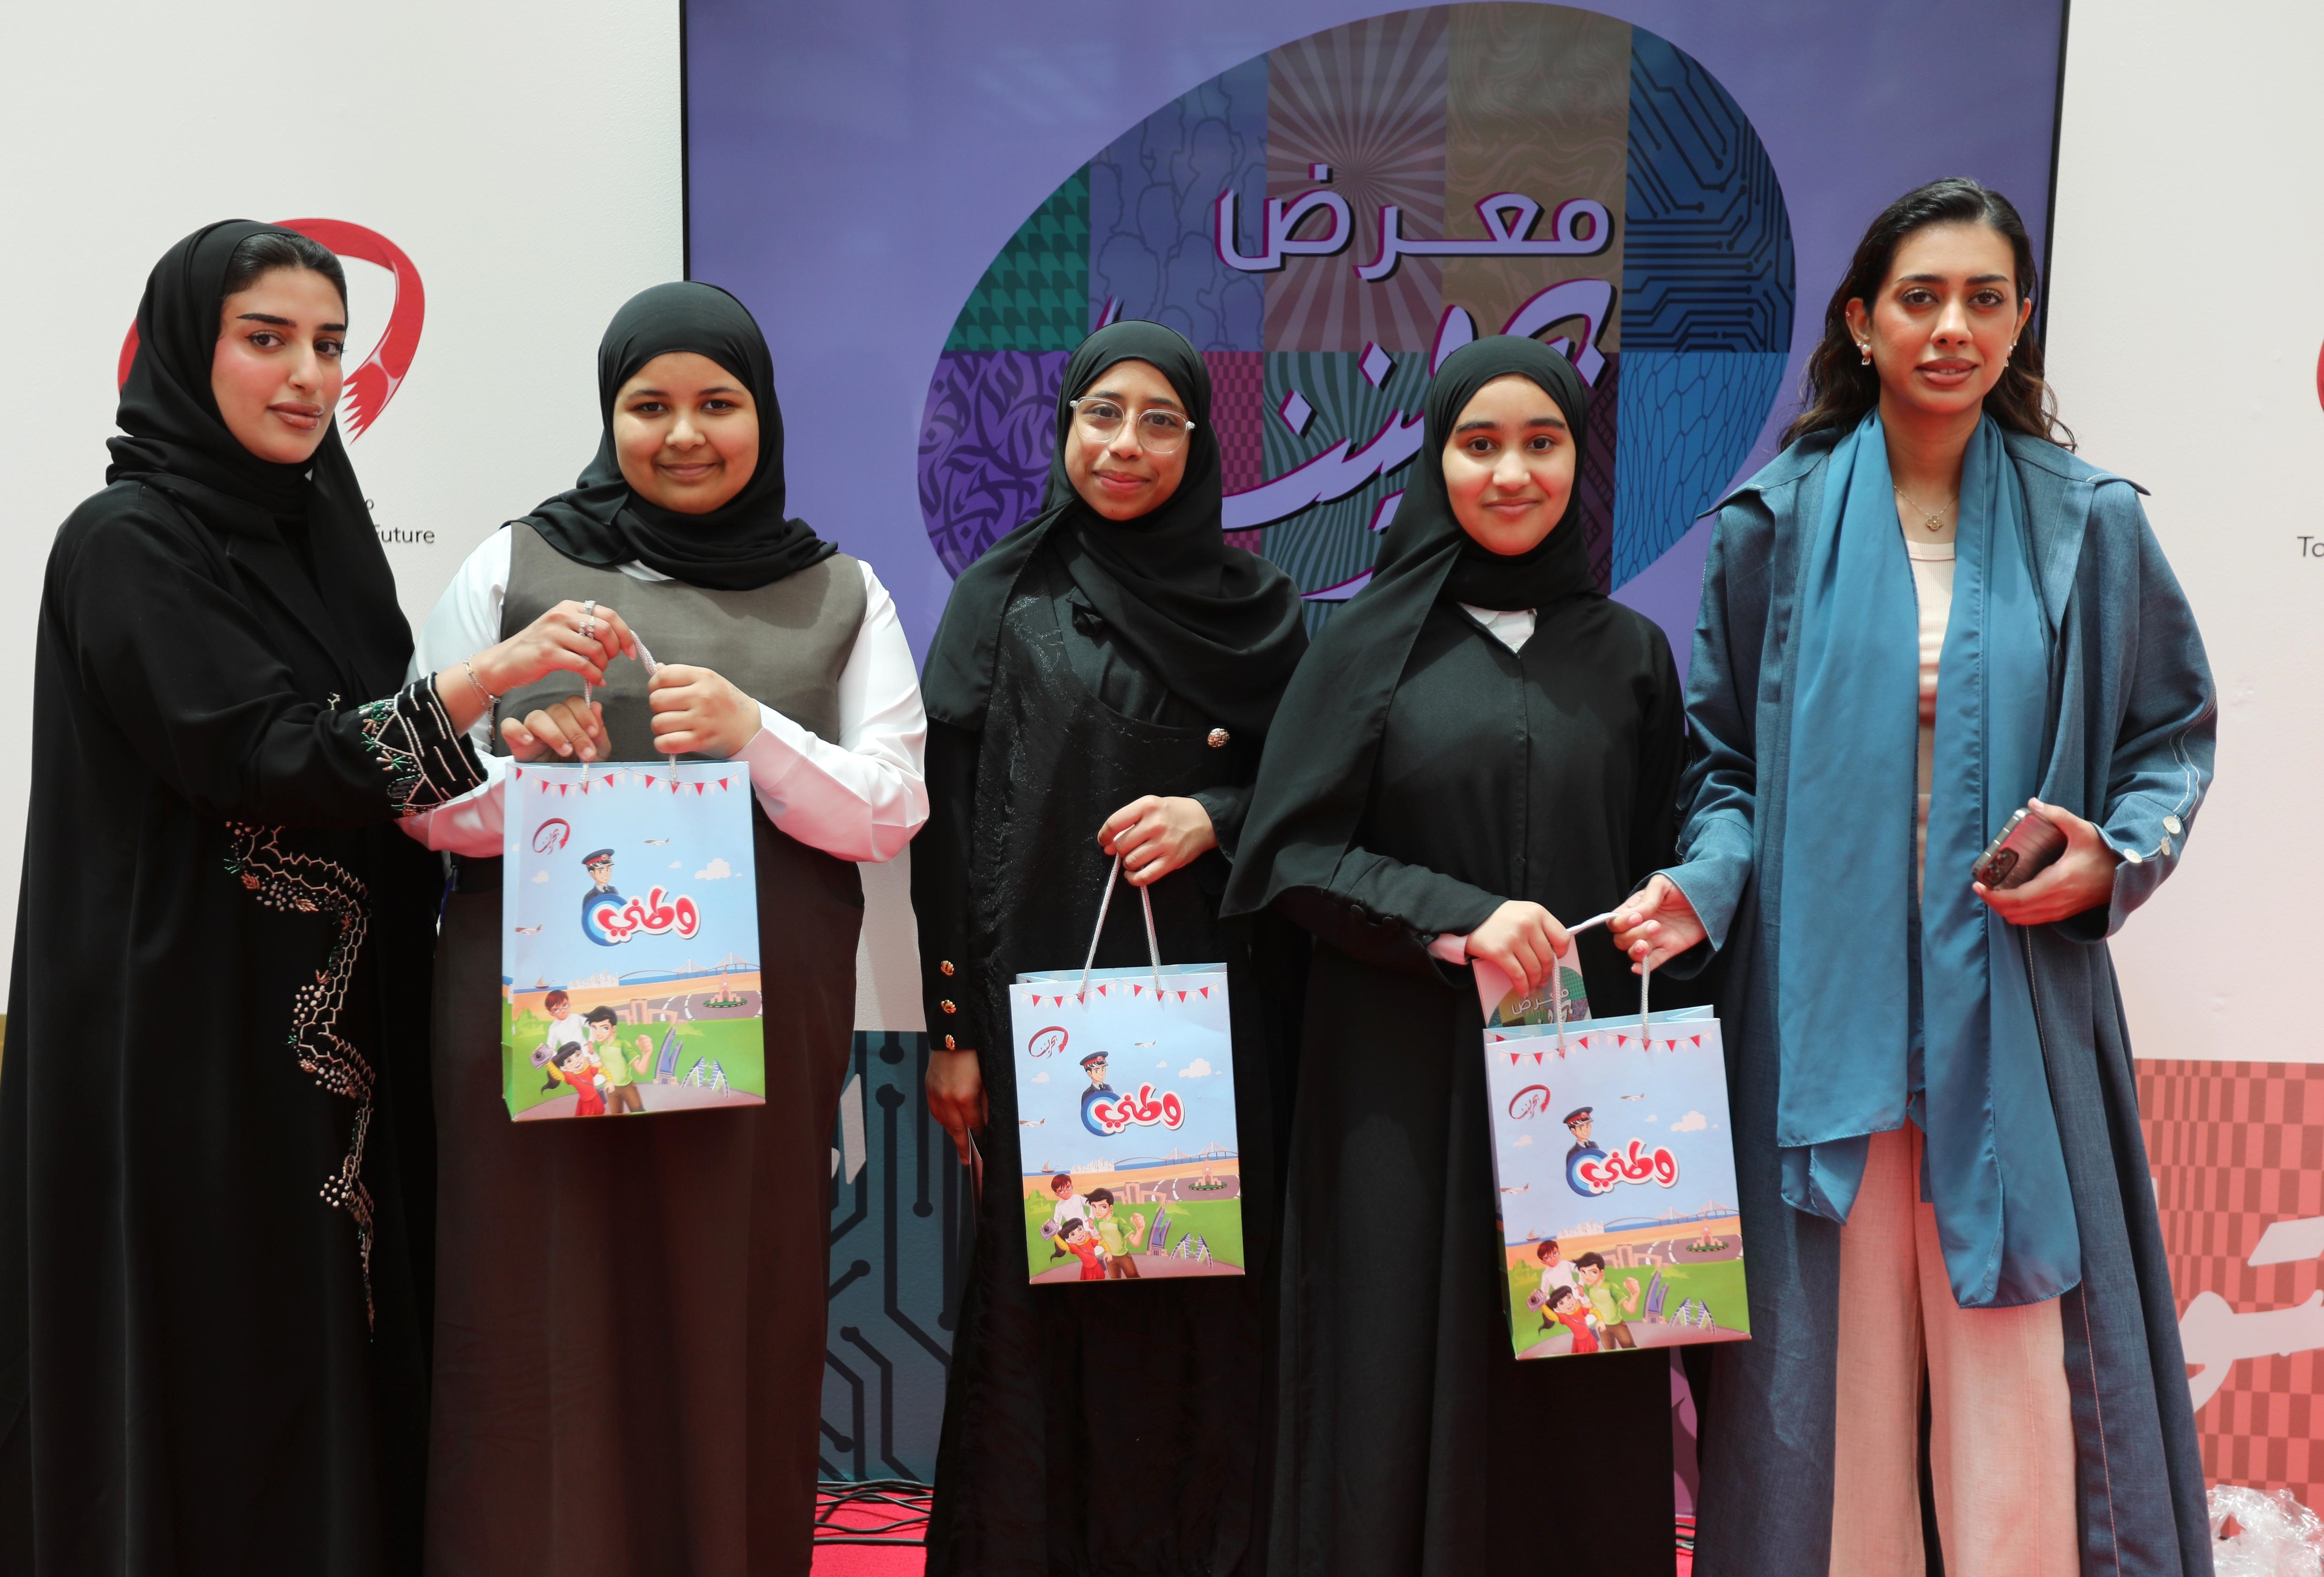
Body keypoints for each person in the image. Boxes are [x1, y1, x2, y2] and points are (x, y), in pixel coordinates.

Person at [0, 221, 627, 1575]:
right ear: (183, 352)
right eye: (266, 340)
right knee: (211, 1350)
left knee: (326, 1338)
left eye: (330, 344)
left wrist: (505, 740)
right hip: (187, 1041)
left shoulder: (325, 537)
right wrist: (484, 683)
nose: (310, 375)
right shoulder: (125, 542)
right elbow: (260, 754)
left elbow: (371, 757)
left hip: (336, 1043)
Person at [1608, 178, 2217, 1577]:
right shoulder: (1771, 521)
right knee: (1832, 1384)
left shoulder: (2089, 523)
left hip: (2015, 1003)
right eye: (1921, 298)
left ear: (2020, 321)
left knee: (2018, 1375)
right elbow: (1723, 767)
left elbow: (2169, 738)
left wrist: (2111, 857)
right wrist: (1706, 881)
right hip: (1819, 1012)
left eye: (1985, 300)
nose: (1953, 328)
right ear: (1860, 321)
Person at [397, 280, 927, 1577]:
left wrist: (759, 735)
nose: (685, 434)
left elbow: (891, 810)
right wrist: (528, 776)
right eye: (650, 406)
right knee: (539, 1320)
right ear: (609, 416)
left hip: (751, 1039)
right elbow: (417, 800)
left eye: (718, 404)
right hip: (537, 1031)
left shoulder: (841, 591)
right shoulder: (515, 568)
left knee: (730, 1318)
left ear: (765, 416)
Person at [1223, 335, 1686, 1573]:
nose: (1512, 473)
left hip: (1583, 1085)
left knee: (1578, 1376)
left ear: (1580, 463)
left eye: (1543, 443)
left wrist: (1670, 910)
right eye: (1480, 445)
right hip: (1399, 1079)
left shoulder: (1632, 654)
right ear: (1434, 462)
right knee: (1392, 1367)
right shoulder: (1364, 645)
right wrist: (1455, 916)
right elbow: (1289, 856)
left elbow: (1663, 848)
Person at [914, 321, 1309, 1574]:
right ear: (1065, 428)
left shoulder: (1262, 615)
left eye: (1159, 422)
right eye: (1102, 414)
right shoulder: (1001, 599)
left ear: (1199, 446)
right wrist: (955, 1034)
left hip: (1209, 1038)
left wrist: (1216, 817)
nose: (1125, 446)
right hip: (1041, 1033)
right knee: (1046, 1313)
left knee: (1196, 1312)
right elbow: (947, 833)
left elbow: (1316, 797)